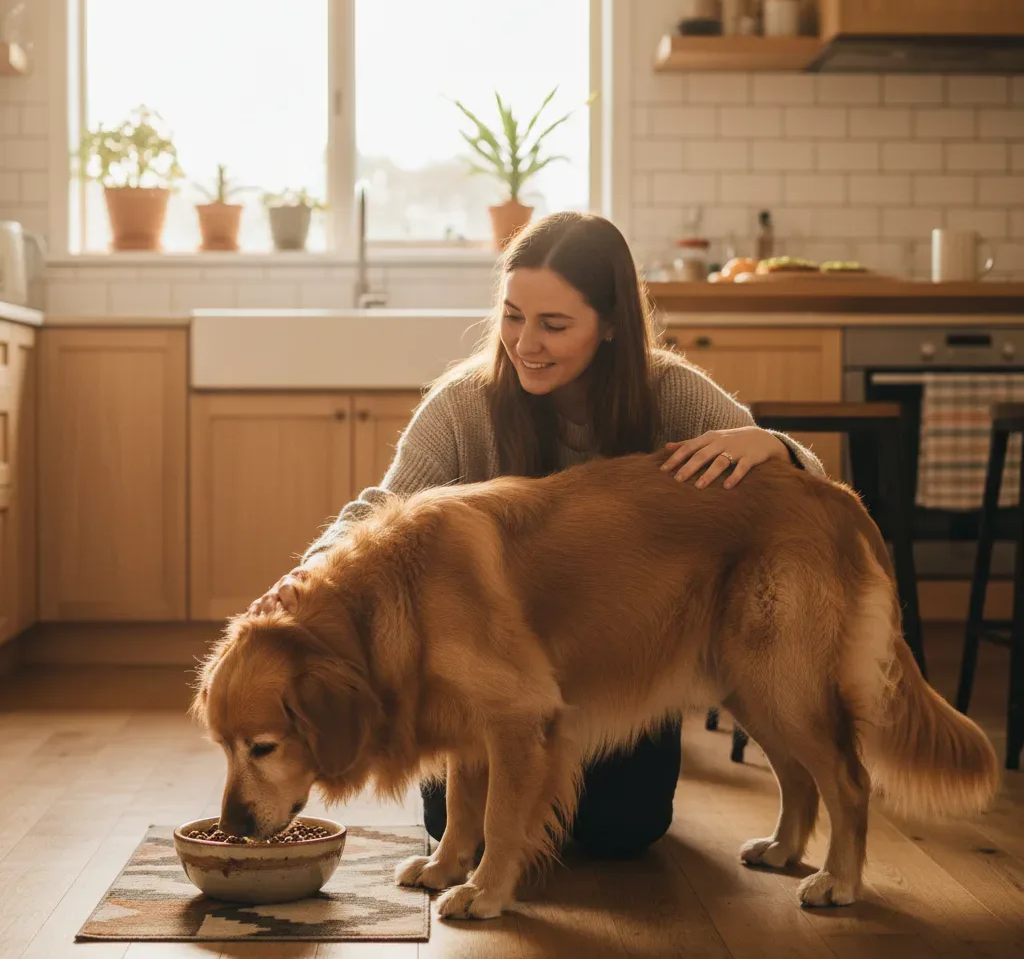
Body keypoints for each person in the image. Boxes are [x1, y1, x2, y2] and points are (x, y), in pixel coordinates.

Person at [250, 210, 825, 859]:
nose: (526, 343)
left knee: (623, 828)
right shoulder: (463, 406)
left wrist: (770, 444)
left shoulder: (669, 393)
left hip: (616, 678)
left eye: (554, 325)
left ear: (610, 326)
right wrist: (315, 565)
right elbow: (387, 508)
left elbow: (796, 499)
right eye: (513, 315)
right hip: (489, 688)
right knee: (449, 831)